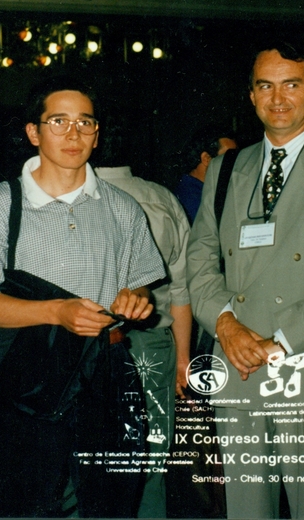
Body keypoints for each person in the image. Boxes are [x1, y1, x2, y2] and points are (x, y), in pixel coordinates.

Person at [186, 40, 304, 519]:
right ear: (251, 94)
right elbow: (200, 257)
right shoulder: (226, 169)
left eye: (291, 85)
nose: (278, 98)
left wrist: (278, 342)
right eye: (265, 86)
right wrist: (226, 326)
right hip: (237, 368)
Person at [0, 76, 166, 517]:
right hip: (29, 373)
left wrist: (136, 298)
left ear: (97, 133)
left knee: (113, 503)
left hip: (108, 367)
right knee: (24, 507)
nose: (74, 134)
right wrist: (57, 311)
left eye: (85, 123)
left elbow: (141, 282)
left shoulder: (121, 206)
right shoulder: (0, 204)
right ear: (33, 132)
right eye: (59, 121)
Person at [94, 132, 192, 519]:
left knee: (91, 461)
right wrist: (183, 359)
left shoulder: (74, 199)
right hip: (155, 345)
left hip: (90, 345)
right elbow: (182, 289)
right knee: (152, 459)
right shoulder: (162, 198)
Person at [175, 127, 237, 223]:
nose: (235, 163)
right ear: (206, 158)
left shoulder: (202, 190)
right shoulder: (191, 198)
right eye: (229, 158)